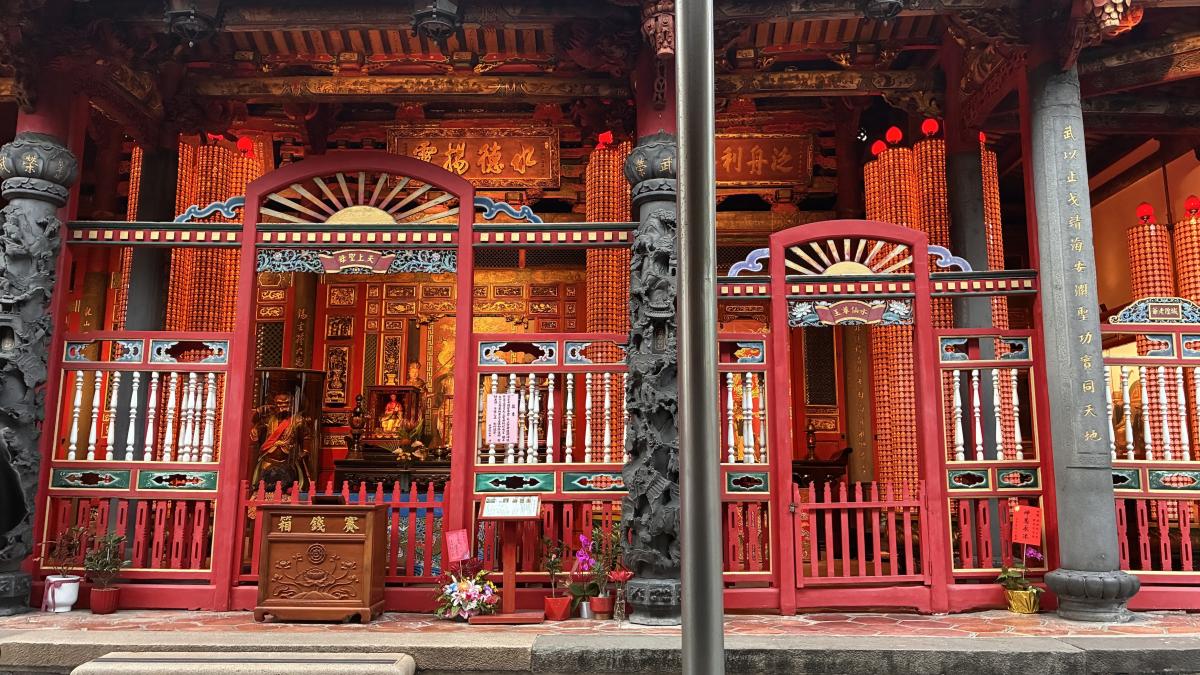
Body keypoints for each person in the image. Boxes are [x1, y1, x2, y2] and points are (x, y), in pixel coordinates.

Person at [249, 392, 313, 490]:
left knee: (288, 485)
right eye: (279, 403)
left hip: (288, 460)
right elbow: (254, 421)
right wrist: (259, 411)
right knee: (264, 486)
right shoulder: (268, 419)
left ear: (292, 404)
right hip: (268, 459)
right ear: (274, 404)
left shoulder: (298, 420)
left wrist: (305, 451)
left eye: (286, 403)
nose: (283, 406)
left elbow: (306, 436)